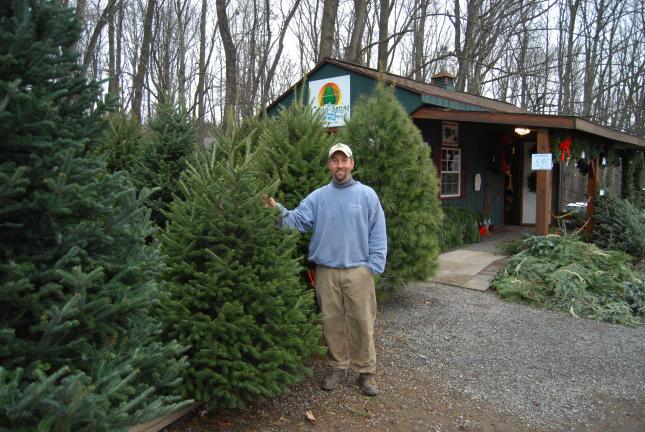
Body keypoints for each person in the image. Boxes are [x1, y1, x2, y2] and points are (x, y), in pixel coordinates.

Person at [262, 143, 387, 396]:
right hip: (326, 272)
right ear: (329, 165)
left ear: (352, 163)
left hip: (358, 272)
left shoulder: (367, 195)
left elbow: (378, 232)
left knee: (363, 322)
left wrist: (373, 267)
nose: (339, 165)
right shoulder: (318, 197)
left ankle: (366, 372)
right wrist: (277, 210)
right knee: (332, 323)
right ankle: (338, 367)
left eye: (344, 160)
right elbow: (296, 220)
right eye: (334, 161)